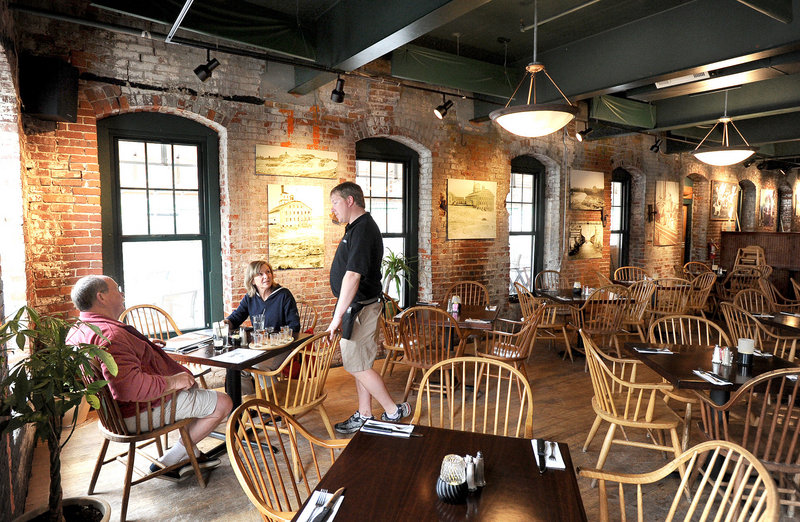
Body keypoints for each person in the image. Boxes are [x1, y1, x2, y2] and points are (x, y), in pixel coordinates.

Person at [69, 275, 233, 480]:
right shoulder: (112, 335)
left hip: (112, 415)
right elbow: (127, 387)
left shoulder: (79, 329)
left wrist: (143, 346)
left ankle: (191, 454)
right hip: (135, 414)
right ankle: (174, 459)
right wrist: (174, 381)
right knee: (223, 403)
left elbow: (116, 365)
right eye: (116, 290)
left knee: (197, 396)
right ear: (101, 297)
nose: (122, 294)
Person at [326, 181, 410, 434]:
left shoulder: (363, 230)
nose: (333, 210)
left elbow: (352, 276)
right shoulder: (356, 228)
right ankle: (364, 414)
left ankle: (393, 411)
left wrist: (335, 318)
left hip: (361, 309)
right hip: (358, 308)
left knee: (356, 365)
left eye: (335, 203)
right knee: (360, 363)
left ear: (350, 201)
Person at [224, 260, 301, 333]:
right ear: (252, 280)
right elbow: (236, 317)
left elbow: (294, 326)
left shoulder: (284, 295)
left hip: (280, 343)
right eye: (260, 274)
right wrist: (226, 322)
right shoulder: (250, 297)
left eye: (268, 272)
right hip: (259, 343)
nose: (266, 276)